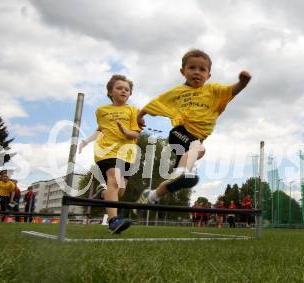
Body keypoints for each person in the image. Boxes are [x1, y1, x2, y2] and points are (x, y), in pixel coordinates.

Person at [136, 49, 251, 205]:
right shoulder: (177, 92)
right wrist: (140, 114)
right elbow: (158, 102)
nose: (197, 72)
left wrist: (242, 83)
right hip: (180, 133)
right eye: (192, 68)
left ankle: (151, 196)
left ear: (208, 75)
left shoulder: (213, 91)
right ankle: (181, 172)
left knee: (174, 179)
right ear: (183, 71)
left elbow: (231, 91)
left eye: (202, 69)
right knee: (199, 149)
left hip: (194, 140)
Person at [78, 74, 141, 233]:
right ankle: (113, 221)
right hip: (106, 152)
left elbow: (135, 134)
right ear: (110, 92)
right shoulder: (101, 111)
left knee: (119, 190)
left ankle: (104, 194)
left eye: (127, 89)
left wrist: (125, 130)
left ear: (130, 94)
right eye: (119, 88)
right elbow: (101, 130)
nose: (123, 91)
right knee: (113, 178)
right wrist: (86, 141)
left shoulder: (133, 110)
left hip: (126, 153)